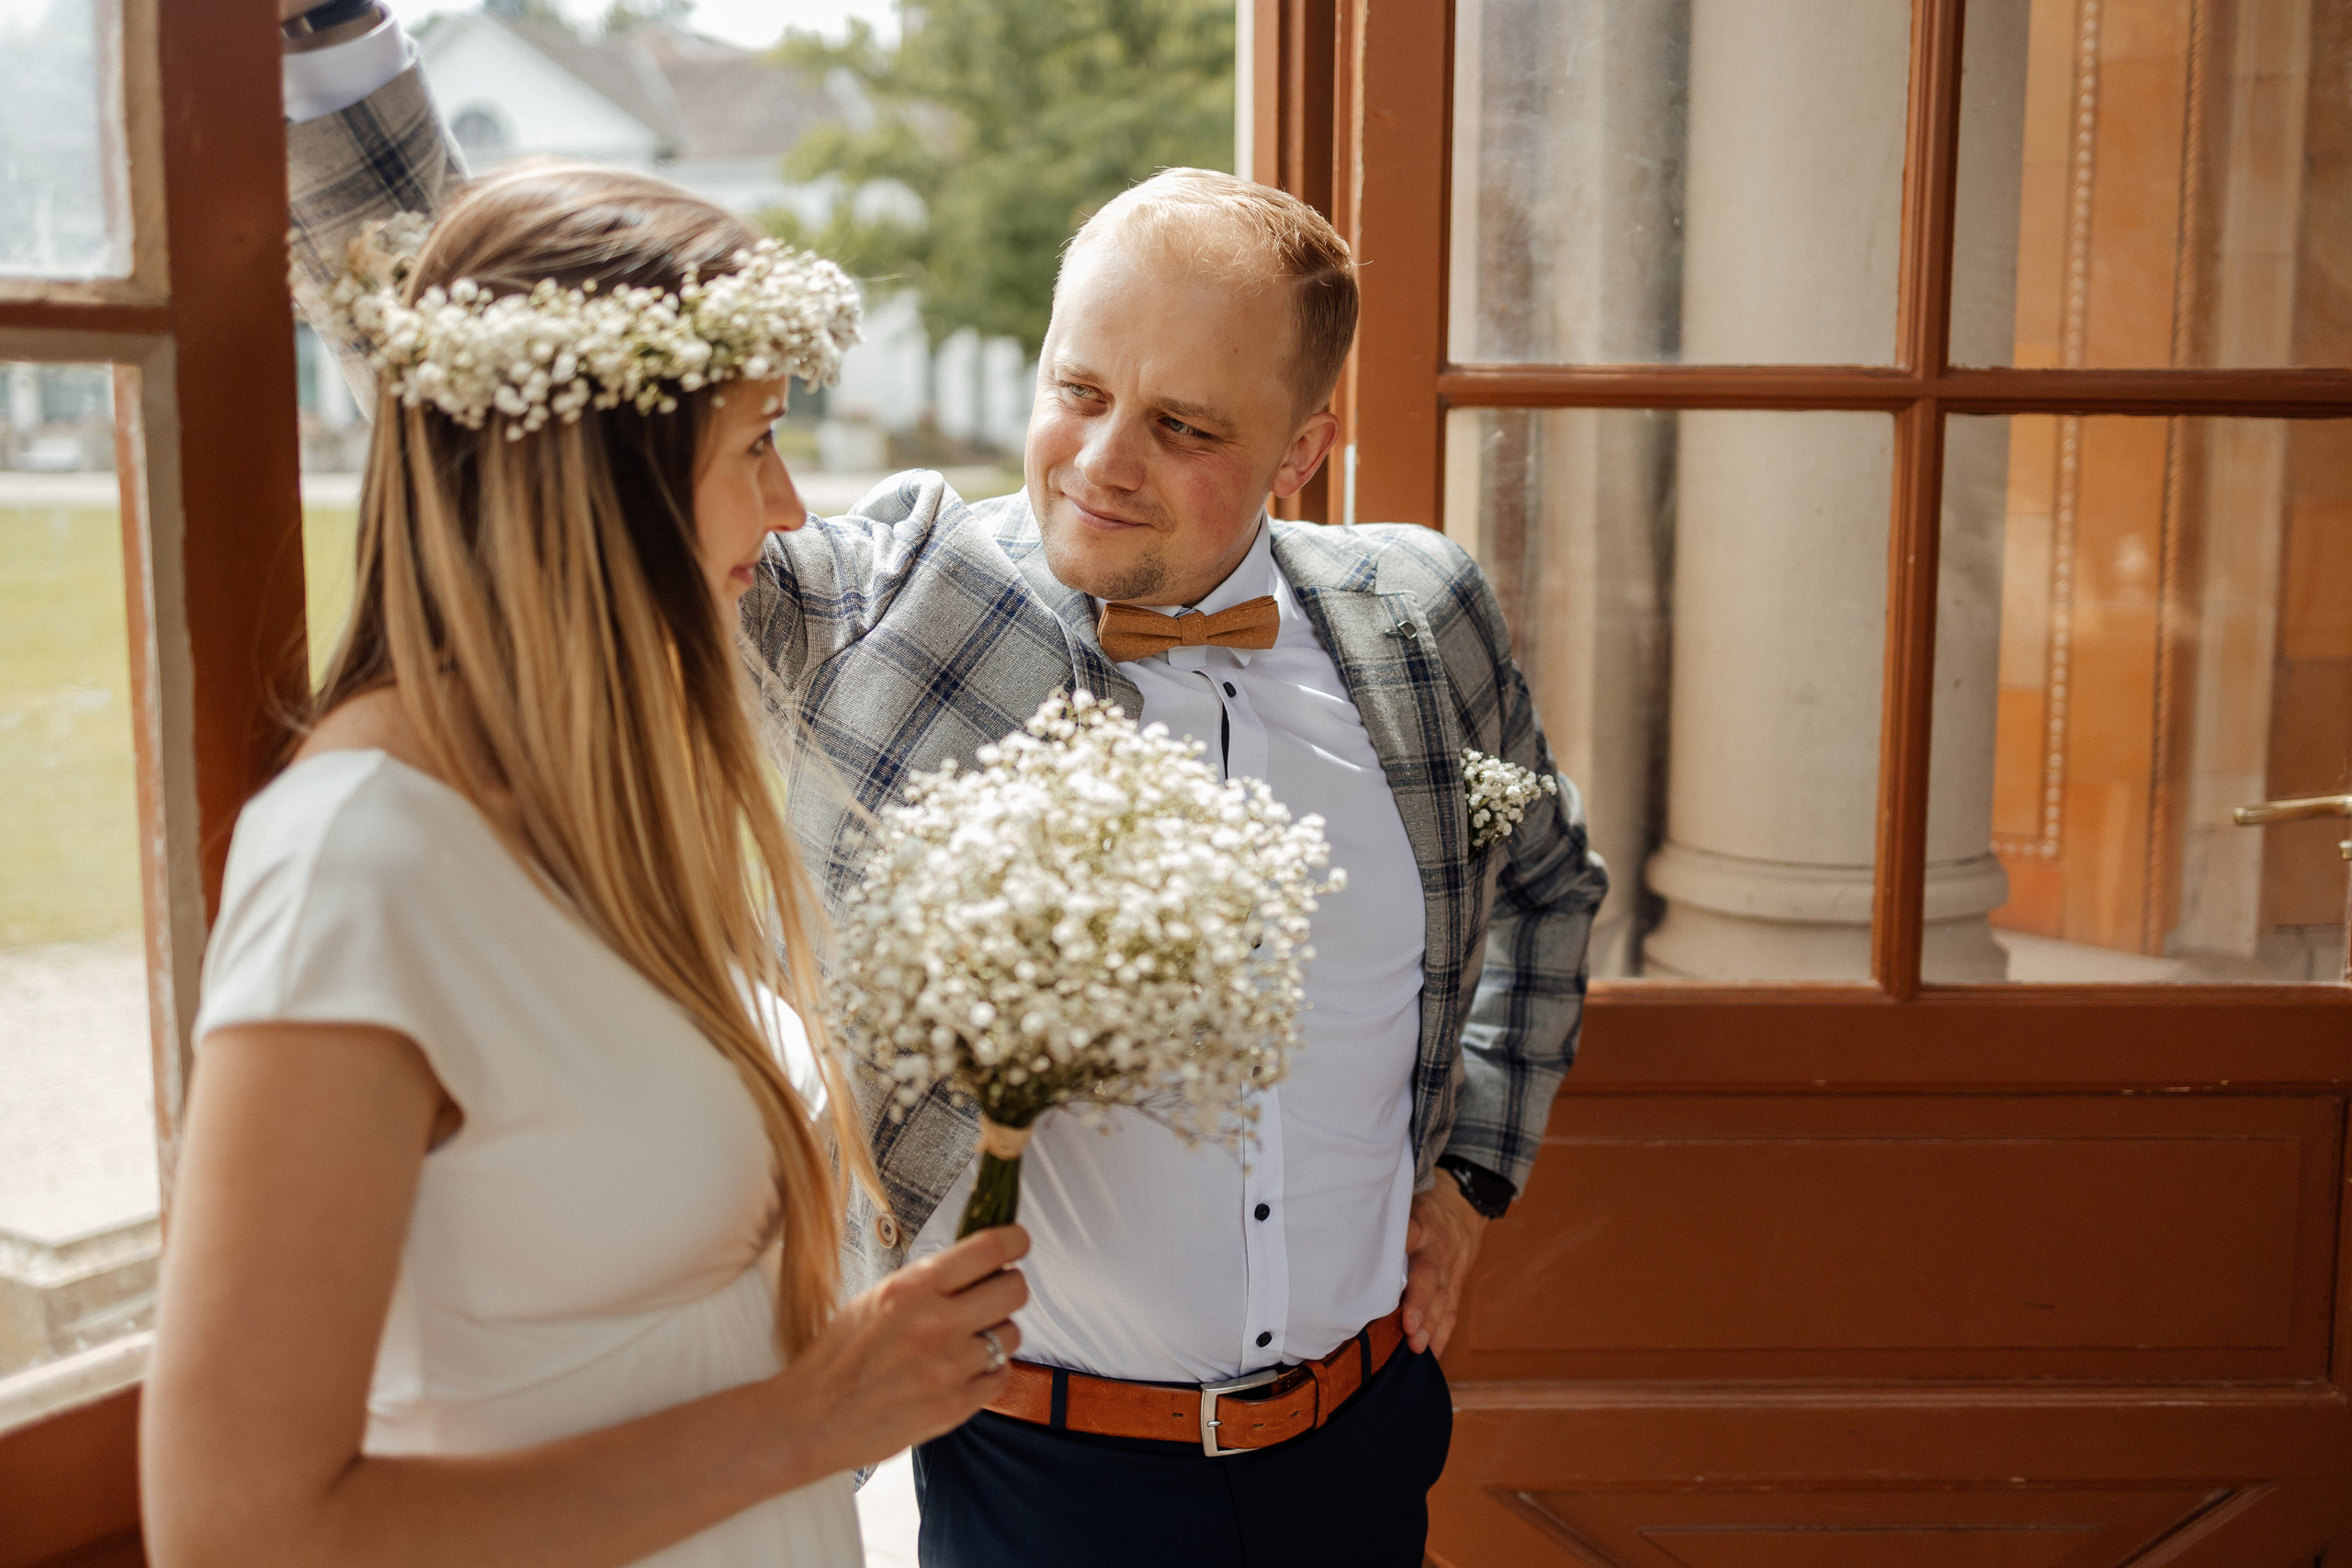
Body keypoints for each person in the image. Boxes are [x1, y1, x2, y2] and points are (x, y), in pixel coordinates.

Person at [275, 6, 1609, 1563]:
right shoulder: (862, 608)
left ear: (1303, 451)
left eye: (1182, 428)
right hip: (1031, 1473)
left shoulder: (1422, 614)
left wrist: (1473, 1172)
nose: (1102, 458)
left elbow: (1548, 887)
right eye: (1078, 388)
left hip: (1366, 1443)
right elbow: (525, 384)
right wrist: (323, 42)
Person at [141, 157, 1032, 1568]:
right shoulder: (360, 866)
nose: (792, 507)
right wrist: (815, 1422)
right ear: (599, 481)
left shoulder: (600, 809)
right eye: (755, 446)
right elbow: (235, 1530)